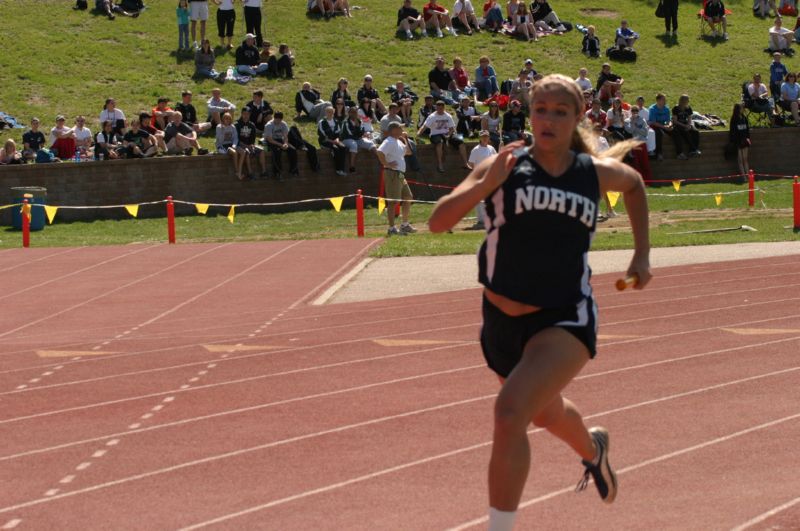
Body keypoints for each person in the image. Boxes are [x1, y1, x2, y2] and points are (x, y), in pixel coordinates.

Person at [428, 74, 651, 531]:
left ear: (578, 118)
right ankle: (594, 450)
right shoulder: (505, 165)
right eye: (540, 109)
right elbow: (437, 222)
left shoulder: (593, 174)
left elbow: (634, 186)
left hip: (564, 317)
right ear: (528, 114)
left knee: (510, 412)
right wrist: (485, 183)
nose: (547, 119)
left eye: (559, 111)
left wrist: (641, 253)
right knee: (544, 412)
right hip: (500, 324)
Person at [376, 122, 417, 235]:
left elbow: (408, 152)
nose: (402, 130)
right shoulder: (388, 141)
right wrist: (386, 164)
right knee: (393, 201)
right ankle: (392, 228)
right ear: (394, 130)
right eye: (400, 128)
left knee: (408, 196)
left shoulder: (398, 141)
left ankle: (404, 225)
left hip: (400, 174)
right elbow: (379, 151)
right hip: (392, 173)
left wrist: (406, 139)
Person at [418, 100, 468, 172]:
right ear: (436, 108)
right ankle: (440, 164)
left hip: (447, 133)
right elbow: (424, 126)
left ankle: (465, 163)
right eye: (438, 108)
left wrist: (449, 135)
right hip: (435, 135)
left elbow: (452, 128)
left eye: (441, 108)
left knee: (461, 143)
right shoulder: (432, 116)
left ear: (444, 108)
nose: (439, 110)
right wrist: (418, 134)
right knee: (440, 143)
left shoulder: (448, 116)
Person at [465, 130, 496, 229]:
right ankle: (480, 220)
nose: (485, 138)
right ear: (480, 138)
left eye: (486, 136)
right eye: (483, 136)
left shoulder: (491, 148)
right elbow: (470, 164)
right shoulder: (476, 150)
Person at [235, 107, 268, 179]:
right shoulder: (237, 124)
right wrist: (247, 146)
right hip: (240, 145)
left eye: (247, 114)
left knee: (261, 150)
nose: (246, 116)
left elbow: (253, 139)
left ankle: (264, 172)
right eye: (244, 114)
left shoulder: (252, 125)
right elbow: (236, 140)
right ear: (241, 114)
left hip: (249, 145)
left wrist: (252, 145)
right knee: (247, 152)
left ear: (250, 115)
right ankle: (250, 173)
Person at [341, 106, 377, 172]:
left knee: (370, 143)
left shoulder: (360, 121)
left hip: (357, 139)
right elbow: (350, 133)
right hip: (347, 139)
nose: (354, 114)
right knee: (353, 145)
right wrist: (357, 129)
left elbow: (362, 132)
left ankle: (380, 160)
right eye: (352, 112)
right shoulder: (345, 122)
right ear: (349, 113)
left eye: (355, 112)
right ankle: (352, 166)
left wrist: (359, 130)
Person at [263, 111, 298, 179]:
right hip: (271, 141)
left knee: (293, 150)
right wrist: (280, 145)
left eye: (280, 120)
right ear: (274, 118)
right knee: (277, 152)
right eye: (277, 120)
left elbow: (285, 136)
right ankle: (278, 172)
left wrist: (285, 143)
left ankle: (293, 170)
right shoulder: (269, 125)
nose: (278, 121)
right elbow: (270, 140)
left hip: (280, 140)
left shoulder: (283, 124)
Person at [624, 106, 653, 182]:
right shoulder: (627, 121)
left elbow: (646, 132)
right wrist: (634, 123)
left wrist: (636, 128)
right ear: (631, 112)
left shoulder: (642, 120)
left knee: (645, 163)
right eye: (633, 111)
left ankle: (648, 181)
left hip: (642, 143)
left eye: (636, 111)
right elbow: (630, 131)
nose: (634, 113)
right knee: (636, 164)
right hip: (634, 144)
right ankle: (638, 182)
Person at [318, 106, 349, 176]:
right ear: (325, 113)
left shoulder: (336, 121)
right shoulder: (322, 122)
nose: (330, 113)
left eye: (332, 112)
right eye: (328, 112)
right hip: (325, 141)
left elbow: (338, 133)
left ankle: (342, 169)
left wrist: (337, 139)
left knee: (343, 147)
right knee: (336, 149)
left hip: (335, 140)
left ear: (334, 112)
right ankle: (338, 169)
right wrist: (333, 141)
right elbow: (322, 136)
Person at [648, 93, 677, 161]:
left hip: (664, 125)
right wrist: (664, 127)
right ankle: (659, 154)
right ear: (658, 100)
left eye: (665, 100)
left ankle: (679, 153)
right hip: (655, 126)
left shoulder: (666, 108)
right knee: (658, 134)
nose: (665, 101)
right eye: (663, 100)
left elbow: (668, 120)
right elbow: (654, 122)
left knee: (675, 131)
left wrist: (669, 125)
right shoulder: (652, 109)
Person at [671, 94, 701, 159]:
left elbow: (690, 118)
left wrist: (689, 125)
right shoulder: (675, 108)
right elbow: (675, 121)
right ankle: (693, 149)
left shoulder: (688, 108)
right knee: (685, 132)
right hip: (678, 125)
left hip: (686, 124)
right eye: (687, 100)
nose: (688, 102)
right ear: (682, 101)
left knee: (695, 132)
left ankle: (693, 149)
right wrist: (685, 126)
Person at [215, 112, 241, 176]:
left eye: (229, 118)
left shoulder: (232, 127)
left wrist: (234, 145)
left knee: (243, 152)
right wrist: (223, 131)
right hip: (222, 145)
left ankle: (240, 169)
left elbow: (235, 138)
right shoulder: (219, 127)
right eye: (226, 118)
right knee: (234, 153)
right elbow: (220, 140)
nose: (227, 120)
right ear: (223, 119)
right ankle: (237, 171)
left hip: (231, 144)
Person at [729, 103, 751, 178]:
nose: (743, 109)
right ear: (738, 109)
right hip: (737, 141)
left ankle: (748, 176)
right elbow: (732, 131)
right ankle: (744, 177)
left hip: (745, 140)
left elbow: (747, 129)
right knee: (740, 160)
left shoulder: (744, 117)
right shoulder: (734, 118)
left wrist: (748, 138)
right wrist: (733, 141)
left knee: (745, 159)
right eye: (742, 108)